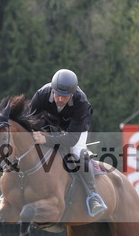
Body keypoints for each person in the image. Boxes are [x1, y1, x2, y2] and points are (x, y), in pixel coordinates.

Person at [29, 69, 107, 216]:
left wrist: (46, 139)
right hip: (51, 124)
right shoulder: (42, 94)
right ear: (52, 90)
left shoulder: (81, 102)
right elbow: (28, 119)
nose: (59, 99)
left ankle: (93, 196)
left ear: (71, 95)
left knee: (77, 153)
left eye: (64, 97)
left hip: (75, 131)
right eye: (57, 94)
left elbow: (71, 140)